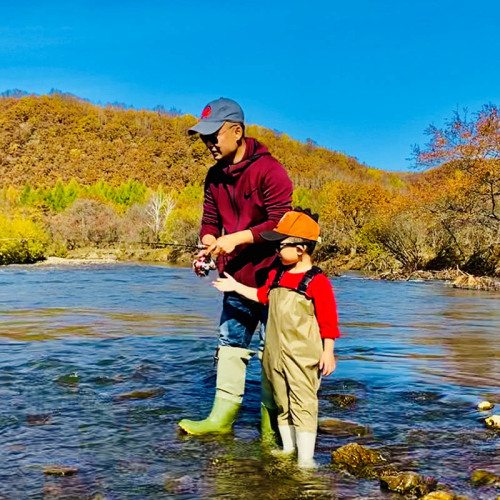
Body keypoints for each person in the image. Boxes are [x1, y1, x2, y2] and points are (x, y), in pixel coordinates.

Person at [178, 98, 293, 437]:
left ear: (237, 131)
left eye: (214, 136)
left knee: (274, 354)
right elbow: (209, 222)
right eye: (204, 138)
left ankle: (274, 429)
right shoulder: (213, 177)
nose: (209, 143)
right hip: (233, 279)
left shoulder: (270, 170)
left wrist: (239, 238)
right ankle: (221, 420)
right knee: (229, 343)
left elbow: (283, 225)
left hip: (275, 281)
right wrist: (209, 245)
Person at [212, 208, 340, 468]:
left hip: (303, 354)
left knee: (303, 402)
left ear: (301, 249)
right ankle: (288, 448)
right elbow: (262, 296)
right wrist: (235, 286)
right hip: (274, 352)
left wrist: (328, 351)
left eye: (280, 246)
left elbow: (329, 321)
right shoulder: (276, 274)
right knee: (281, 399)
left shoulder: (318, 282)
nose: (275, 252)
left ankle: (306, 460)